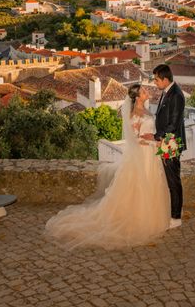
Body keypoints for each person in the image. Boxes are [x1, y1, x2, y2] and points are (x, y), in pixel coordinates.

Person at [45, 84, 170, 249]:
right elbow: (135, 139)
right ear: (138, 97)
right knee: (140, 187)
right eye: (143, 91)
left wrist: (156, 140)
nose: (147, 92)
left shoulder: (146, 111)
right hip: (143, 155)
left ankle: (152, 218)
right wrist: (153, 140)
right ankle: (139, 220)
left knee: (151, 184)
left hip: (150, 155)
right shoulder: (134, 115)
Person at [141, 64, 186, 229]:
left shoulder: (176, 96)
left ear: (165, 79)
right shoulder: (167, 92)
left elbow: (173, 124)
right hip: (166, 141)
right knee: (170, 180)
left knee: (173, 181)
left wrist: (155, 137)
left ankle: (176, 218)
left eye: (156, 79)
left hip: (171, 142)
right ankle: (175, 212)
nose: (155, 83)